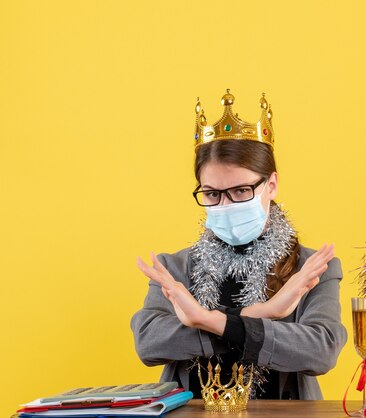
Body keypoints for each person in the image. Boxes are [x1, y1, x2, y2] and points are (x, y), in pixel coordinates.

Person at [130, 90, 347, 400]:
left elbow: (320, 349)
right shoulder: (174, 268)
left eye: (241, 190)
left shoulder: (311, 269)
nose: (226, 204)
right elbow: (150, 342)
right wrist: (260, 313)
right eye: (212, 194)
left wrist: (207, 319)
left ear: (271, 185)